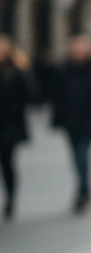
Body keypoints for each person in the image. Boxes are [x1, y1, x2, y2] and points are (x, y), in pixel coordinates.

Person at [51, 36, 91, 214]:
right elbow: (57, 96)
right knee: (76, 158)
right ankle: (85, 189)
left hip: (88, 123)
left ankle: (82, 193)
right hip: (71, 123)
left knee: (83, 157)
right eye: (75, 49)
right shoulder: (65, 70)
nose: (78, 53)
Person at [0, 35, 35, 221]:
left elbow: (31, 94)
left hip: (10, 124)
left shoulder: (17, 69)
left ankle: (10, 199)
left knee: (7, 162)